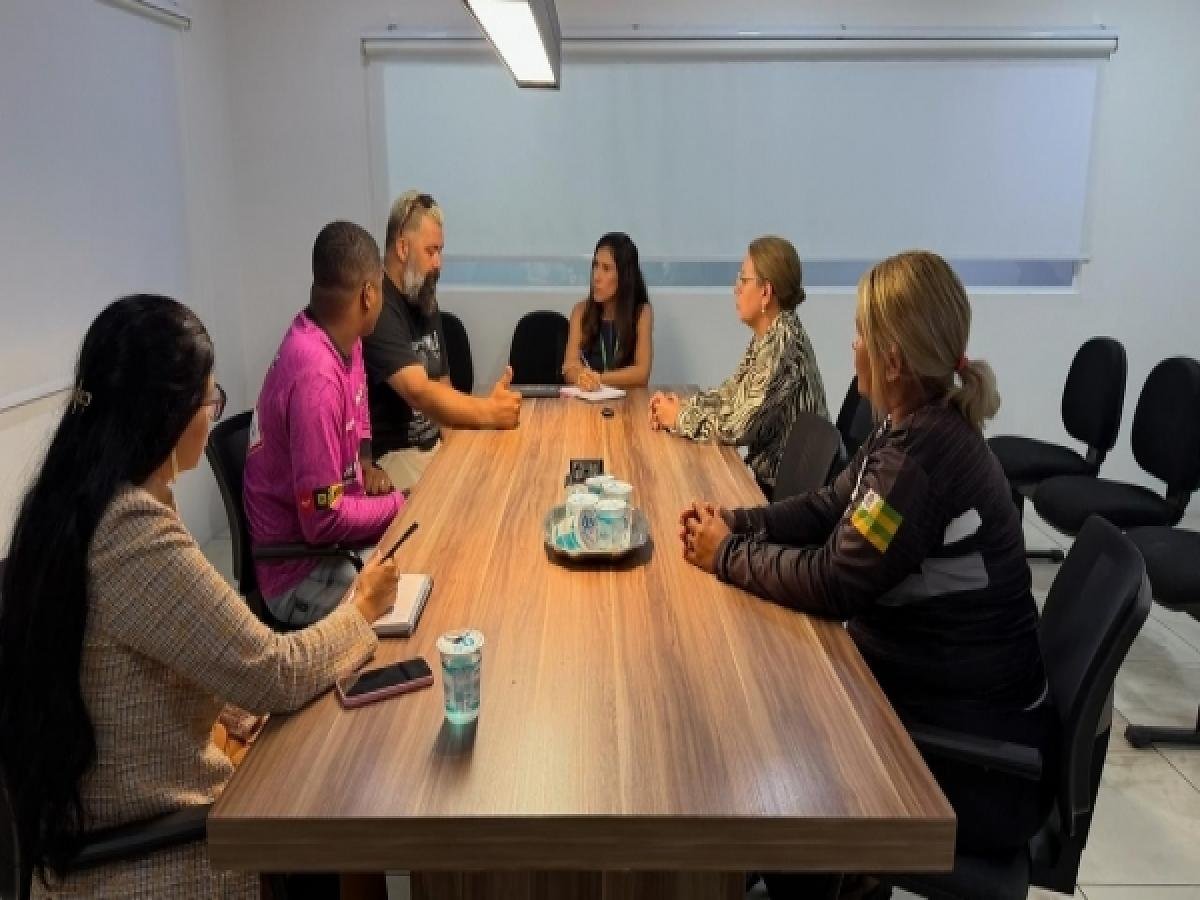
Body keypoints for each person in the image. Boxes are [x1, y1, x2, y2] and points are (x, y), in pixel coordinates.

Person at [679, 251, 1054, 898]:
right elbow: (830, 505)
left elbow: (835, 582)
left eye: (860, 334)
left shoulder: (920, 461)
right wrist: (737, 522)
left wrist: (726, 555)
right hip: (933, 696)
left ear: (893, 359)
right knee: (769, 690)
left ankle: (804, 875)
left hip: (973, 756)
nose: (852, 346)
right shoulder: (908, 426)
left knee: (771, 724)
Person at [0, 295, 400, 898]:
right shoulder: (130, 531)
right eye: (209, 401)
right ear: (166, 413)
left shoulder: (78, 500)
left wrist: (241, 711)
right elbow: (272, 671)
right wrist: (362, 609)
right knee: (343, 791)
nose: (213, 416)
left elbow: (189, 646)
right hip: (149, 848)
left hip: (110, 819)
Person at [244, 221, 407, 627]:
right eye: (381, 287)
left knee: (418, 559)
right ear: (368, 295)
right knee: (413, 598)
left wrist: (366, 463)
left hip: (334, 546)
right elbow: (323, 520)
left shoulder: (343, 337)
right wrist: (401, 504)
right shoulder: (315, 378)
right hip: (299, 574)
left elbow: (359, 405)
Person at [364, 190, 521, 491]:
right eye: (431, 251)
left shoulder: (424, 297)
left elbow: (443, 385)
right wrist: (488, 412)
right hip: (396, 457)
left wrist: (461, 450)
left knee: (499, 474)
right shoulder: (379, 307)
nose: (439, 263)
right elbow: (419, 391)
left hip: (432, 447)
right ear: (402, 247)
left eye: (440, 251)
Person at [648, 236, 828, 495]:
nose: (736, 288)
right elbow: (731, 396)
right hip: (770, 486)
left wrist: (679, 418)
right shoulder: (770, 335)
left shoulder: (783, 344)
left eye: (743, 280)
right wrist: (683, 406)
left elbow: (739, 427)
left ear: (765, 292)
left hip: (784, 498)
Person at [561, 232, 654, 390]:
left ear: (624, 276)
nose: (596, 277)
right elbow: (569, 367)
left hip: (628, 400)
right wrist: (582, 377)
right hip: (588, 398)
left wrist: (599, 378)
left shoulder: (641, 313)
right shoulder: (581, 311)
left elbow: (641, 373)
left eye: (606, 268)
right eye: (595, 266)